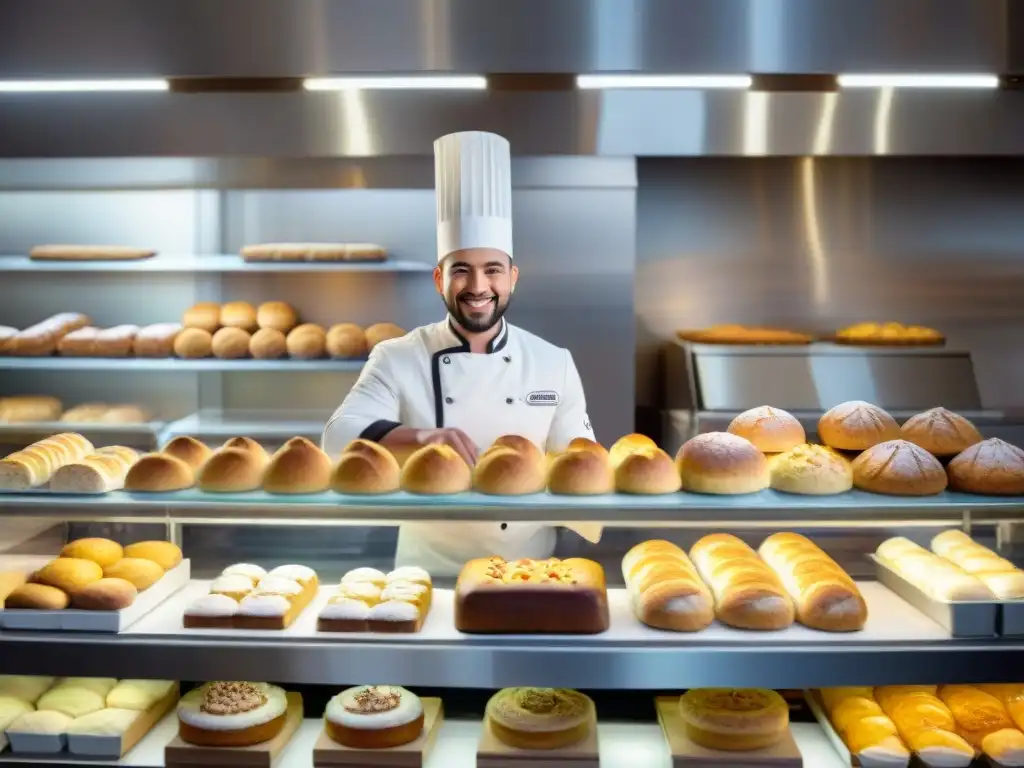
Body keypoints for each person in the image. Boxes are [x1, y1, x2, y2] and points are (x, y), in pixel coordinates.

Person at [322, 130, 596, 575]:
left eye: (492, 271)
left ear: (513, 277)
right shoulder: (397, 356)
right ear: (438, 279)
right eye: (461, 271)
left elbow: (581, 464)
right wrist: (424, 438)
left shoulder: (554, 362)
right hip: (427, 573)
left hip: (528, 569)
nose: (477, 287)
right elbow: (337, 436)